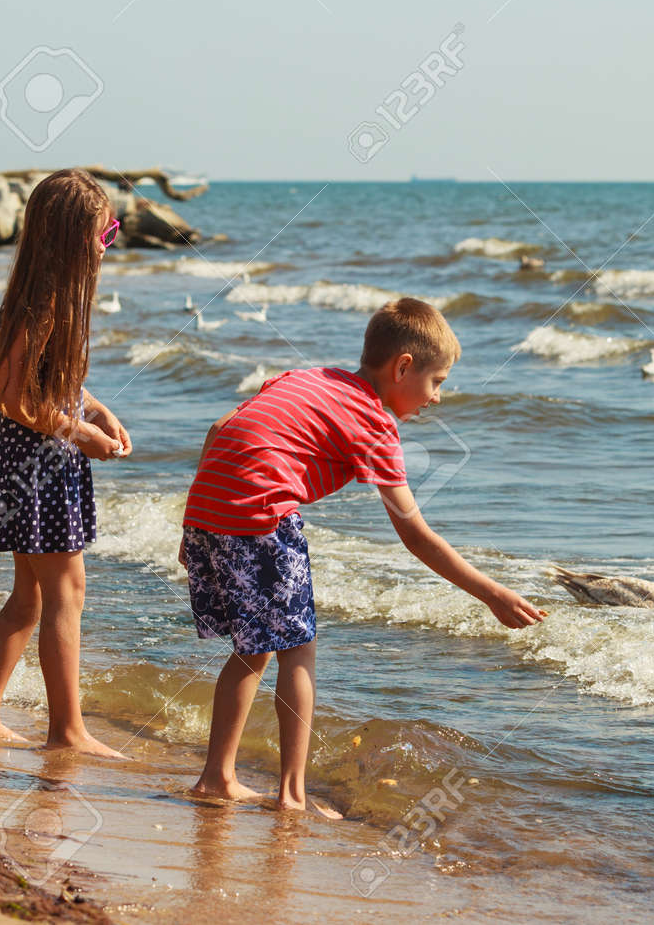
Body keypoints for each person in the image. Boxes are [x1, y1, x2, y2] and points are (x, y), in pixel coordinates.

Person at [179, 297, 545, 809]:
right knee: (297, 651)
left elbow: (219, 430)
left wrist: (194, 528)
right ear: (402, 368)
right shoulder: (374, 424)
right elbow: (415, 535)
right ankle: (292, 795)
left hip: (209, 510)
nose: (437, 398)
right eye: (436, 382)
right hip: (262, 514)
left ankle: (217, 777)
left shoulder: (310, 377)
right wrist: (491, 593)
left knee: (252, 649)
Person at [0, 168, 132, 756]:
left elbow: (48, 382)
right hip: (33, 464)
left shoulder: (45, 292)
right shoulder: (46, 300)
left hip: (29, 458)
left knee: (31, 597)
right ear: (73, 236)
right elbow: (12, 395)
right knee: (66, 592)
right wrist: (80, 433)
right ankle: (67, 730)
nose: (107, 247)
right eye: (103, 236)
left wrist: (96, 410)